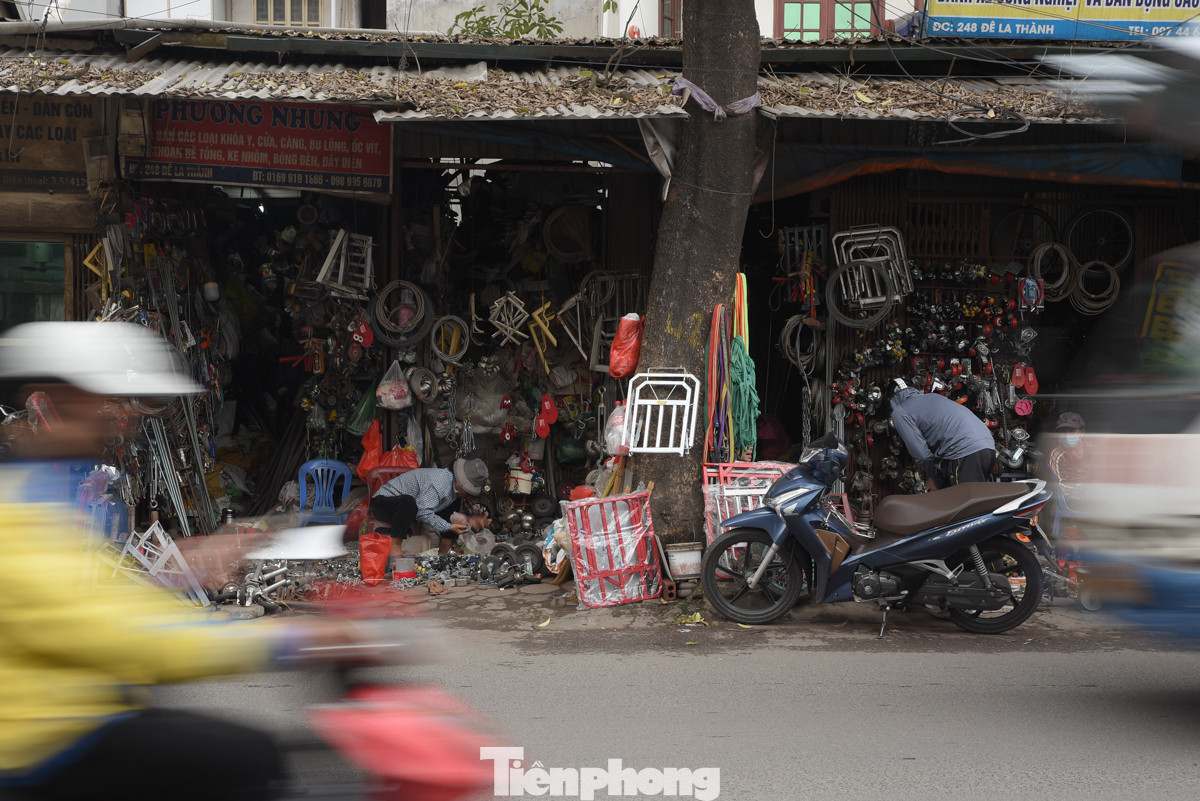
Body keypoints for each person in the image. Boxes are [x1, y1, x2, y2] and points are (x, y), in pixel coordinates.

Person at [0, 322, 380, 800]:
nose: (124, 419)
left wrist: (178, 577)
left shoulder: (58, 485)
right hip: (48, 748)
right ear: (49, 401)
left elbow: (92, 600)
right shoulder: (17, 513)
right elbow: (113, 636)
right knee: (248, 757)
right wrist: (289, 641)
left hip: (85, 714)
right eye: (105, 403)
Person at [888, 377, 996, 490]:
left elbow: (922, 455)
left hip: (964, 452)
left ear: (892, 400)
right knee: (979, 500)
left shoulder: (900, 412)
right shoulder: (933, 397)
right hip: (987, 446)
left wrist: (935, 478)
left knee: (966, 503)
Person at [369, 458, 491, 553]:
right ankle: (396, 547)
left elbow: (447, 517)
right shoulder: (439, 484)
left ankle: (444, 551)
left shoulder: (452, 489)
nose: (468, 492)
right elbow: (421, 511)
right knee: (408, 502)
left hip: (410, 509)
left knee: (453, 509)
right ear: (460, 482)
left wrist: (468, 521)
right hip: (383, 503)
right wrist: (447, 526)